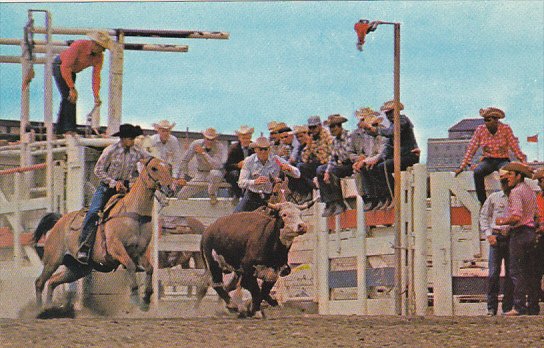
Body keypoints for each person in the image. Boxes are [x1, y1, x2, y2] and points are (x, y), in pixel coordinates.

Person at [77, 123, 146, 264]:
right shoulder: (110, 151)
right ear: (123, 139)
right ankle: (84, 245)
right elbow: (98, 170)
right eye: (130, 138)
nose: (132, 141)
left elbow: (148, 160)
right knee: (94, 212)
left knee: (136, 214)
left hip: (126, 187)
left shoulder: (136, 151)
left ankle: (135, 249)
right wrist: (114, 183)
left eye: (133, 138)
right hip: (107, 187)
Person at [454, 107, 526, 205]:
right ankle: (483, 203)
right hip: (488, 160)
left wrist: (524, 163)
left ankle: (509, 200)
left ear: (496, 120)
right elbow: (471, 148)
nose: (486, 123)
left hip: (502, 159)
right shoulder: (480, 130)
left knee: (506, 173)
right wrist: (462, 166)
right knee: (478, 172)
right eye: (485, 120)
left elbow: (515, 147)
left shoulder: (506, 129)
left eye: (488, 120)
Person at [495, 162, 538, 316]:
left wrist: (502, 221)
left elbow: (516, 216)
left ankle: (519, 306)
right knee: (530, 271)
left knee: (516, 271)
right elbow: (536, 214)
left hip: (520, 233)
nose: (508, 178)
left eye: (511, 174)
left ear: (519, 176)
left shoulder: (515, 192)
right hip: (531, 232)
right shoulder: (530, 191)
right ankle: (533, 306)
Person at [361, 100, 420, 209]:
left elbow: (392, 132)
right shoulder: (393, 125)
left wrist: (374, 129)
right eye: (387, 113)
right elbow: (388, 147)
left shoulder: (403, 120)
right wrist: (377, 159)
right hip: (400, 156)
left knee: (384, 167)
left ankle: (394, 196)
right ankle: (383, 197)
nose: (388, 115)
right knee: (375, 167)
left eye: (390, 112)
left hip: (409, 156)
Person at [53, 31, 113, 136]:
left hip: (71, 71)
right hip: (60, 66)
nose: (101, 51)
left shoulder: (99, 57)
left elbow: (96, 77)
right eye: (101, 47)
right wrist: (72, 88)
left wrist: (96, 95)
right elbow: (65, 67)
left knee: (67, 97)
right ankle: (69, 129)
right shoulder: (79, 45)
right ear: (94, 44)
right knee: (70, 96)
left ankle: (60, 129)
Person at [479, 170, 514, 316]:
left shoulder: (516, 198)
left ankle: (507, 307)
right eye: (503, 181)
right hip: (497, 237)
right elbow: (484, 216)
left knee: (511, 274)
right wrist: (488, 234)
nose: (504, 184)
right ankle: (491, 307)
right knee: (493, 273)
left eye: (506, 181)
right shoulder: (494, 197)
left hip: (512, 237)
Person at [235, 136, 300, 212]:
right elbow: (241, 183)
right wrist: (254, 182)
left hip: (271, 197)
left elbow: (297, 174)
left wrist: (290, 169)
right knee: (236, 215)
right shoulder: (249, 161)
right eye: (260, 149)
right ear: (255, 149)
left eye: (265, 149)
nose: (263, 152)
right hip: (252, 196)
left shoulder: (276, 160)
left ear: (269, 149)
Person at [351, 107, 388, 211]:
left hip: (382, 158)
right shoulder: (359, 135)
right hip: (370, 159)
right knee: (362, 169)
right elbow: (369, 152)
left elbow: (382, 151)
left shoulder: (382, 133)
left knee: (375, 168)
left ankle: (382, 197)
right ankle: (369, 198)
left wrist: (365, 161)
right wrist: (360, 160)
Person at [288, 115, 332, 204]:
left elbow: (331, 154)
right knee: (297, 167)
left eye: (314, 127)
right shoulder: (312, 138)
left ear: (319, 126)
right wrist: (309, 146)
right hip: (317, 162)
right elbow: (305, 158)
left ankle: (312, 188)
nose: (312, 130)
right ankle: (308, 189)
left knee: (310, 168)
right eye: (310, 128)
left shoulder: (327, 136)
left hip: (326, 162)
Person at [316, 114, 352, 217]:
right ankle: (329, 202)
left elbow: (349, 153)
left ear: (339, 126)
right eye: (330, 127)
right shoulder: (335, 141)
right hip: (340, 165)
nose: (331, 130)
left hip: (350, 164)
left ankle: (339, 202)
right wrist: (327, 171)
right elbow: (332, 158)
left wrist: (331, 169)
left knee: (334, 171)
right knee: (320, 170)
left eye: (333, 126)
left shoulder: (349, 137)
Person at [178, 128, 226, 205]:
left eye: (212, 139)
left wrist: (204, 153)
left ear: (215, 139)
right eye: (208, 139)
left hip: (213, 176)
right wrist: (182, 177)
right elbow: (184, 160)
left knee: (215, 174)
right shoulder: (196, 144)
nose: (210, 141)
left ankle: (212, 194)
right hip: (201, 174)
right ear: (204, 137)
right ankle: (184, 215)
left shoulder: (219, 146)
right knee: (181, 195)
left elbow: (216, 165)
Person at [149, 120, 184, 186]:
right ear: (158, 131)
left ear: (170, 131)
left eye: (167, 131)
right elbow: (143, 158)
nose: (165, 133)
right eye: (163, 131)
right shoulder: (151, 140)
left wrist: (174, 177)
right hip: (152, 171)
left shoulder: (173, 140)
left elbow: (176, 160)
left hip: (166, 170)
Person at [224, 125, 255, 201]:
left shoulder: (254, 147)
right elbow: (226, 165)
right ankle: (237, 195)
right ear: (239, 138)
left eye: (247, 138)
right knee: (234, 174)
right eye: (243, 138)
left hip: (251, 172)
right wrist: (237, 165)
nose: (245, 140)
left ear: (250, 137)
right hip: (236, 172)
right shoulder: (233, 148)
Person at [532, 167, 544, 304]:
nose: (539, 184)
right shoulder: (538, 198)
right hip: (540, 238)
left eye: (540, 181)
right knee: (536, 271)